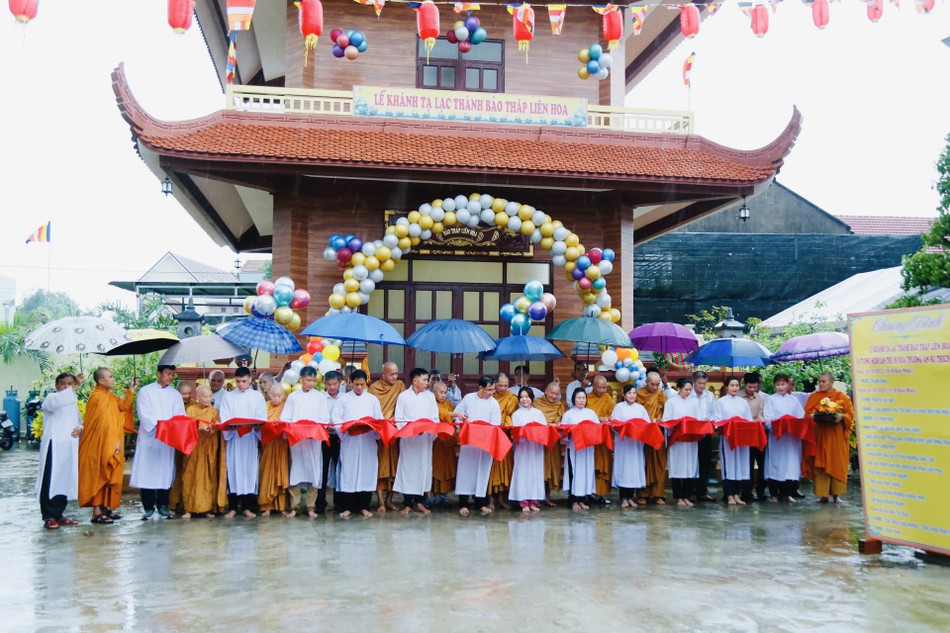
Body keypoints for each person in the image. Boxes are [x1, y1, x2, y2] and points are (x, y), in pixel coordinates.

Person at [78, 367, 136, 524]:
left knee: (109, 473)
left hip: (110, 442)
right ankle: (96, 512)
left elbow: (123, 407)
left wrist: (131, 390)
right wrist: (114, 442)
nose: (113, 379)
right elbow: (105, 425)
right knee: (100, 473)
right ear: (101, 380)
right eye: (110, 377)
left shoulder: (108, 396)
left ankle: (105, 508)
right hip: (100, 444)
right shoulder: (97, 398)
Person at [130, 365, 186, 519]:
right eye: (168, 374)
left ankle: (163, 505)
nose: (170, 377)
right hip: (150, 437)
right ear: (159, 373)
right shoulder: (145, 391)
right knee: (147, 472)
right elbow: (144, 414)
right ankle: (148, 506)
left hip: (167, 439)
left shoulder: (175, 394)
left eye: (173, 374)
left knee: (164, 471)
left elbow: (179, 415)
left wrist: (170, 428)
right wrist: (161, 426)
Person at [331, 369, 383, 518]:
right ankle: (348, 506)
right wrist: (347, 429)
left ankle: (363, 506)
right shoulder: (343, 400)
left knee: (366, 471)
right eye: (356, 384)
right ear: (350, 383)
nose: (359, 387)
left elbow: (378, 420)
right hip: (350, 441)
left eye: (362, 384)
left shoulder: (372, 400)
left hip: (367, 440)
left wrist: (370, 427)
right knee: (349, 471)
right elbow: (336, 419)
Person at [36, 372, 84, 529]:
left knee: (64, 478)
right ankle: (48, 515)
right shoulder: (51, 398)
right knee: (51, 479)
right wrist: (75, 386)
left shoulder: (72, 402)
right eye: (63, 383)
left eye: (70, 383)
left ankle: (59, 513)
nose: (67, 387)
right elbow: (56, 403)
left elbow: (79, 421)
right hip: (54, 445)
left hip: (69, 445)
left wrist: (80, 428)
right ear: (57, 386)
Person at [281, 367, 329, 519]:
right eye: (308, 380)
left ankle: (310, 506)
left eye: (314, 381)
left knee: (314, 472)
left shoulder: (320, 397)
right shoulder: (293, 397)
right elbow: (286, 419)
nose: (311, 383)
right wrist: (298, 430)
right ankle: (295, 506)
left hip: (313, 441)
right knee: (295, 471)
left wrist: (312, 430)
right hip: (297, 441)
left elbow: (324, 419)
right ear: (301, 379)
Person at [219, 367, 266, 519]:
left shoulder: (257, 397)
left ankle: (247, 507)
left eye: (244, 381)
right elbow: (224, 418)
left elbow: (261, 417)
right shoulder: (228, 397)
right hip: (234, 440)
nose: (240, 384)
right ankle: (233, 507)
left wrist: (255, 425)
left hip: (250, 440)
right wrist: (234, 426)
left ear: (250, 380)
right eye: (238, 381)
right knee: (233, 471)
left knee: (249, 471)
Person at [453, 375, 502, 516]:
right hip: (469, 442)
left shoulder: (494, 403)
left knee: (482, 472)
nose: (492, 392)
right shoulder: (468, 398)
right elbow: (458, 413)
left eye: (493, 390)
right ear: (481, 388)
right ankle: (463, 503)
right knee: (465, 472)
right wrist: (461, 418)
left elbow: (496, 423)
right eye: (489, 389)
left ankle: (480, 503)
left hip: (485, 443)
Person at [393, 368, 440, 515]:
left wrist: (426, 429)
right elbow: (398, 419)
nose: (427, 383)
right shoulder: (403, 396)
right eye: (424, 380)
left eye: (427, 380)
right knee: (408, 470)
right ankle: (407, 503)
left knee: (423, 469)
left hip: (424, 440)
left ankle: (419, 502)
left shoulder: (430, 397)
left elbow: (435, 418)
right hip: (409, 440)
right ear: (415, 381)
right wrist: (411, 430)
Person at [804, 372, 855, 504]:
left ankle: (836, 495)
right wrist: (814, 416)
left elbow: (850, 415)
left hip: (836, 437)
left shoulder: (841, 397)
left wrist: (841, 417)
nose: (820, 384)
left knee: (836, 462)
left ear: (832, 382)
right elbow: (807, 414)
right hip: (820, 436)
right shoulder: (814, 397)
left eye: (824, 381)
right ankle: (823, 495)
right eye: (819, 381)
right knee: (821, 464)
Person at [180, 385, 228, 519]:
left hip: (208, 448)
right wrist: (199, 428)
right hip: (193, 448)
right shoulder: (190, 410)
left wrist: (211, 428)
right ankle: (188, 508)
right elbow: (187, 427)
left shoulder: (213, 411)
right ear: (198, 397)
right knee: (190, 476)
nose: (209, 399)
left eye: (210, 396)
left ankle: (207, 508)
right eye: (206, 396)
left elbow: (217, 425)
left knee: (208, 477)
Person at [368, 361, 405, 512]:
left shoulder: (400, 386)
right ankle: (380, 502)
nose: (395, 377)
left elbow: (403, 406)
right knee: (380, 467)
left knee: (394, 466)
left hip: (394, 433)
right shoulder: (373, 389)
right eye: (392, 374)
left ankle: (389, 500)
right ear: (383, 374)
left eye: (396, 373)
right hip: (379, 433)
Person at [764, 374, 806, 503]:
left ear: (788, 385)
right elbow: (768, 418)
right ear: (774, 386)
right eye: (778, 384)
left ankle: (787, 493)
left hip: (791, 439)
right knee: (776, 464)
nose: (780, 387)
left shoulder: (794, 400)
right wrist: (778, 425)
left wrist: (791, 423)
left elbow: (800, 416)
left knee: (790, 465)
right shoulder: (771, 399)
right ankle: (774, 494)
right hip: (777, 438)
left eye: (783, 384)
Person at [715, 376, 754, 506]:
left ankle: (737, 494)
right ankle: (729, 495)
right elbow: (718, 421)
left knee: (740, 466)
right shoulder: (720, 402)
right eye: (732, 385)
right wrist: (730, 424)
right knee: (729, 466)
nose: (735, 388)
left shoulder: (743, 402)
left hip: (742, 440)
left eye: (737, 385)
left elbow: (748, 420)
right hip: (728, 439)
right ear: (726, 387)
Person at [610, 384, 651, 509]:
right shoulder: (619, 407)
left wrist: (638, 428)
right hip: (624, 443)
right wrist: (626, 428)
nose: (632, 395)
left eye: (634, 393)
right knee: (624, 469)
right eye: (629, 393)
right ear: (624, 394)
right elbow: (614, 424)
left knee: (634, 469)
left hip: (636, 444)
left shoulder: (640, 408)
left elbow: (647, 424)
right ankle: (623, 498)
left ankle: (631, 497)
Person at [663, 377, 701, 507]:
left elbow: (698, 419)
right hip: (677, 439)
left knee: (690, 466)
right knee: (678, 467)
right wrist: (677, 425)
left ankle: (686, 496)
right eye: (686, 389)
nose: (688, 392)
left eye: (690, 390)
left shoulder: (694, 402)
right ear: (678, 388)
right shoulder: (671, 402)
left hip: (690, 439)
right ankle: (678, 496)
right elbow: (666, 421)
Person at [508, 387, 547, 512]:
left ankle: (534, 501)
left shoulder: (538, 413)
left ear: (532, 398)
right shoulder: (516, 414)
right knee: (522, 472)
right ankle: (523, 501)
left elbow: (544, 430)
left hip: (536, 447)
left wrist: (535, 434)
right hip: (523, 447)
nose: (524, 399)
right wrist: (525, 434)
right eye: (522, 397)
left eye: (527, 397)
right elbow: (515, 432)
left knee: (535, 472)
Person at [561, 388, 600, 512]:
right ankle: (573, 500)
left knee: (586, 473)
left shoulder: (591, 414)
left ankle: (583, 499)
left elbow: (597, 430)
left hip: (587, 449)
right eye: (579, 398)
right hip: (573, 448)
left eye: (583, 398)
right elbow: (563, 432)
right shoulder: (568, 414)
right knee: (574, 473)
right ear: (574, 399)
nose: (581, 400)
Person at [636, 370, 668, 505]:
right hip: (643, 432)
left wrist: (661, 419)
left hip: (658, 431)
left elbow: (667, 411)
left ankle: (658, 494)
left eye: (657, 384)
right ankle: (642, 494)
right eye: (652, 384)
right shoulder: (639, 394)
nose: (655, 387)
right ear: (646, 382)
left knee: (659, 463)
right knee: (643, 462)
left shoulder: (661, 394)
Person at [258, 384, 290, 516]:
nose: (276, 398)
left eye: (279, 396)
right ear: (269, 395)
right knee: (267, 472)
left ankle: (281, 506)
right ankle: (266, 505)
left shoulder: (286, 407)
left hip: (281, 443)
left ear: (283, 396)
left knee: (281, 472)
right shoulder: (264, 407)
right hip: (268, 443)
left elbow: (288, 422)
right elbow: (259, 423)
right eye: (274, 395)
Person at [316, 370, 345, 514]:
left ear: (340, 383)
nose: (332, 387)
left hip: (340, 438)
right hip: (324, 436)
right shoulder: (320, 398)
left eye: (335, 384)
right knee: (323, 469)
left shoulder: (345, 398)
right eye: (329, 384)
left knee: (339, 469)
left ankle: (339, 503)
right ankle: (320, 503)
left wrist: (339, 430)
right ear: (324, 384)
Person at [489, 373, 518, 509]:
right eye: (500, 385)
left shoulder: (512, 398)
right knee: (490, 468)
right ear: (495, 384)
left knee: (505, 467)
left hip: (505, 436)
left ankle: (502, 497)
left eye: (506, 385)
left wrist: (506, 422)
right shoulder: (489, 397)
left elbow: (513, 416)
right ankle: (490, 499)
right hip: (491, 437)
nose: (503, 388)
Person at [586, 375, 616, 505]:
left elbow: (611, 415)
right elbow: (585, 415)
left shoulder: (608, 398)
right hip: (591, 437)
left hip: (604, 436)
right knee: (591, 465)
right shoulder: (587, 398)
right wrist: (598, 418)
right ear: (593, 387)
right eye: (600, 387)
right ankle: (588, 493)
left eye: (605, 387)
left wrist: (607, 419)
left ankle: (601, 494)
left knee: (604, 465)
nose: (603, 390)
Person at [689, 371, 718, 502]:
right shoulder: (688, 394)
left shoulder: (709, 395)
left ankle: (702, 490)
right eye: (699, 383)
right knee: (692, 461)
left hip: (706, 431)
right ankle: (691, 491)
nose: (702, 386)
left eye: (704, 383)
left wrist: (709, 420)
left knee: (705, 461)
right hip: (692, 432)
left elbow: (713, 413)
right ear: (693, 382)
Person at [534, 382, 564, 506]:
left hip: (553, 441)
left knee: (551, 468)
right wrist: (547, 424)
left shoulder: (559, 405)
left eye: (557, 394)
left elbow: (561, 421)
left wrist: (557, 424)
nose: (554, 396)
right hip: (539, 440)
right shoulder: (536, 402)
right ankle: (535, 497)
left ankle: (547, 496)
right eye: (552, 393)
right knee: (538, 467)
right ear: (545, 391)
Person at [740, 372, 768, 502]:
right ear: (744, 384)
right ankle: (747, 491)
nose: (752, 390)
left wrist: (759, 419)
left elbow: (761, 415)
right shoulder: (738, 397)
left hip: (758, 433)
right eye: (750, 387)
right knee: (748, 463)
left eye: (755, 387)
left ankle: (761, 490)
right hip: (744, 434)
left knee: (762, 462)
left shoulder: (760, 398)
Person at [429, 381, 457, 506]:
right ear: (433, 392)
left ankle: (444, 494)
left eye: (445, 393)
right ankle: (432, 494)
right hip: (436, 441)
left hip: (447, 441)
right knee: (435, 467)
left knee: (447, 467)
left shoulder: (449, 404)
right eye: (441, 392)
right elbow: (441, 415)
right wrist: (453, 414)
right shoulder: (431, 404)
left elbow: (451, 418)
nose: (443, 395)